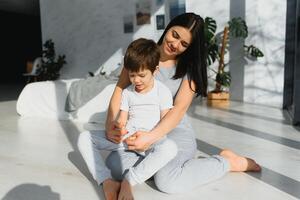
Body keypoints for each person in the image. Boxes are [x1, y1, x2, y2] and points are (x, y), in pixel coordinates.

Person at [78, 12, 261, 199]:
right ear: (168, 28)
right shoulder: (141, 53)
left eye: (184, 44)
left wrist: (150, 138)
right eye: (175, 35)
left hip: (173, 132)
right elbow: (120, 89)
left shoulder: (188, 69)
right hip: (139, 127)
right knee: (114, 168)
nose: (175, 44)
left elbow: (179, 110)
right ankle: (155, 167)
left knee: (167, 182)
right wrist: (110, 125)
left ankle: (226, 162)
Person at [78, 38, 177, 200]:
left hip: (151, 141)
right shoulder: (127, 92)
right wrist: (119, 128)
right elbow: (122, 119)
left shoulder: (163, 91)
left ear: (155, 71)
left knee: (170, 147)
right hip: (128, 139)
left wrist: (148, 138)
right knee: (84, 137)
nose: (136, 80)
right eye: (132, 75)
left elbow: (166, 123)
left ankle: (129, 181)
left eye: (142, 75)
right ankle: (105, 180)